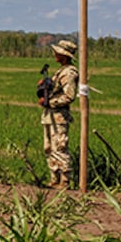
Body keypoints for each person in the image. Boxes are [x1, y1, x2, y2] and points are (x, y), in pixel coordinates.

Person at [40, 39, 78, 189]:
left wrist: (50, 102)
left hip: (59, 116)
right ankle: (54, 178)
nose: (54, 54)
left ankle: (64, 180)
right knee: (49, 147)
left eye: (57, 52)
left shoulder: (69, 73)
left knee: (60, 147)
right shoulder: (60, 71)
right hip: (49, 116)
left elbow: (69, 96)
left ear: (64, 55)